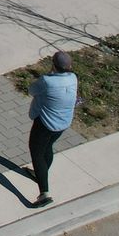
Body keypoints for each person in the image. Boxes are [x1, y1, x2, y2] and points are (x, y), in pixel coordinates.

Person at [26, 51, 78, 207]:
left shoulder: (47, 81)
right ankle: (41, 172)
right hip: (63, 123)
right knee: (47, 147)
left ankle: (44, 194)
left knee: (36, 152)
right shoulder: (73, 78)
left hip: (45, 123)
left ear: (53, 65)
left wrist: (49, 75)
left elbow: (31, 90)